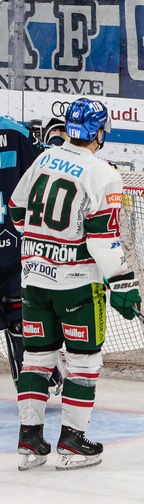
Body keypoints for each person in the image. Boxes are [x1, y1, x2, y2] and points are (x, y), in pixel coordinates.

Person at [10, 98, 142, 471]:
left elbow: (17, 211)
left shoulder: (43, 159)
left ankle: (30, 442)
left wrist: (43, 249)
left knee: (36, 359)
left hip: (33, 280)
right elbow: (102, 238)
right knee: (83, 363)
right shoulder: (103, 173)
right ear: (99, 133)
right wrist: (122, 282)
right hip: (77, 287)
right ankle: (72, 442)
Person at [0, 117, 44, 385]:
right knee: (20, 316)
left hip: (13, 253)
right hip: (12, 248)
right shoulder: (15, 132)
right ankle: (37, 382)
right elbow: (46, 171)